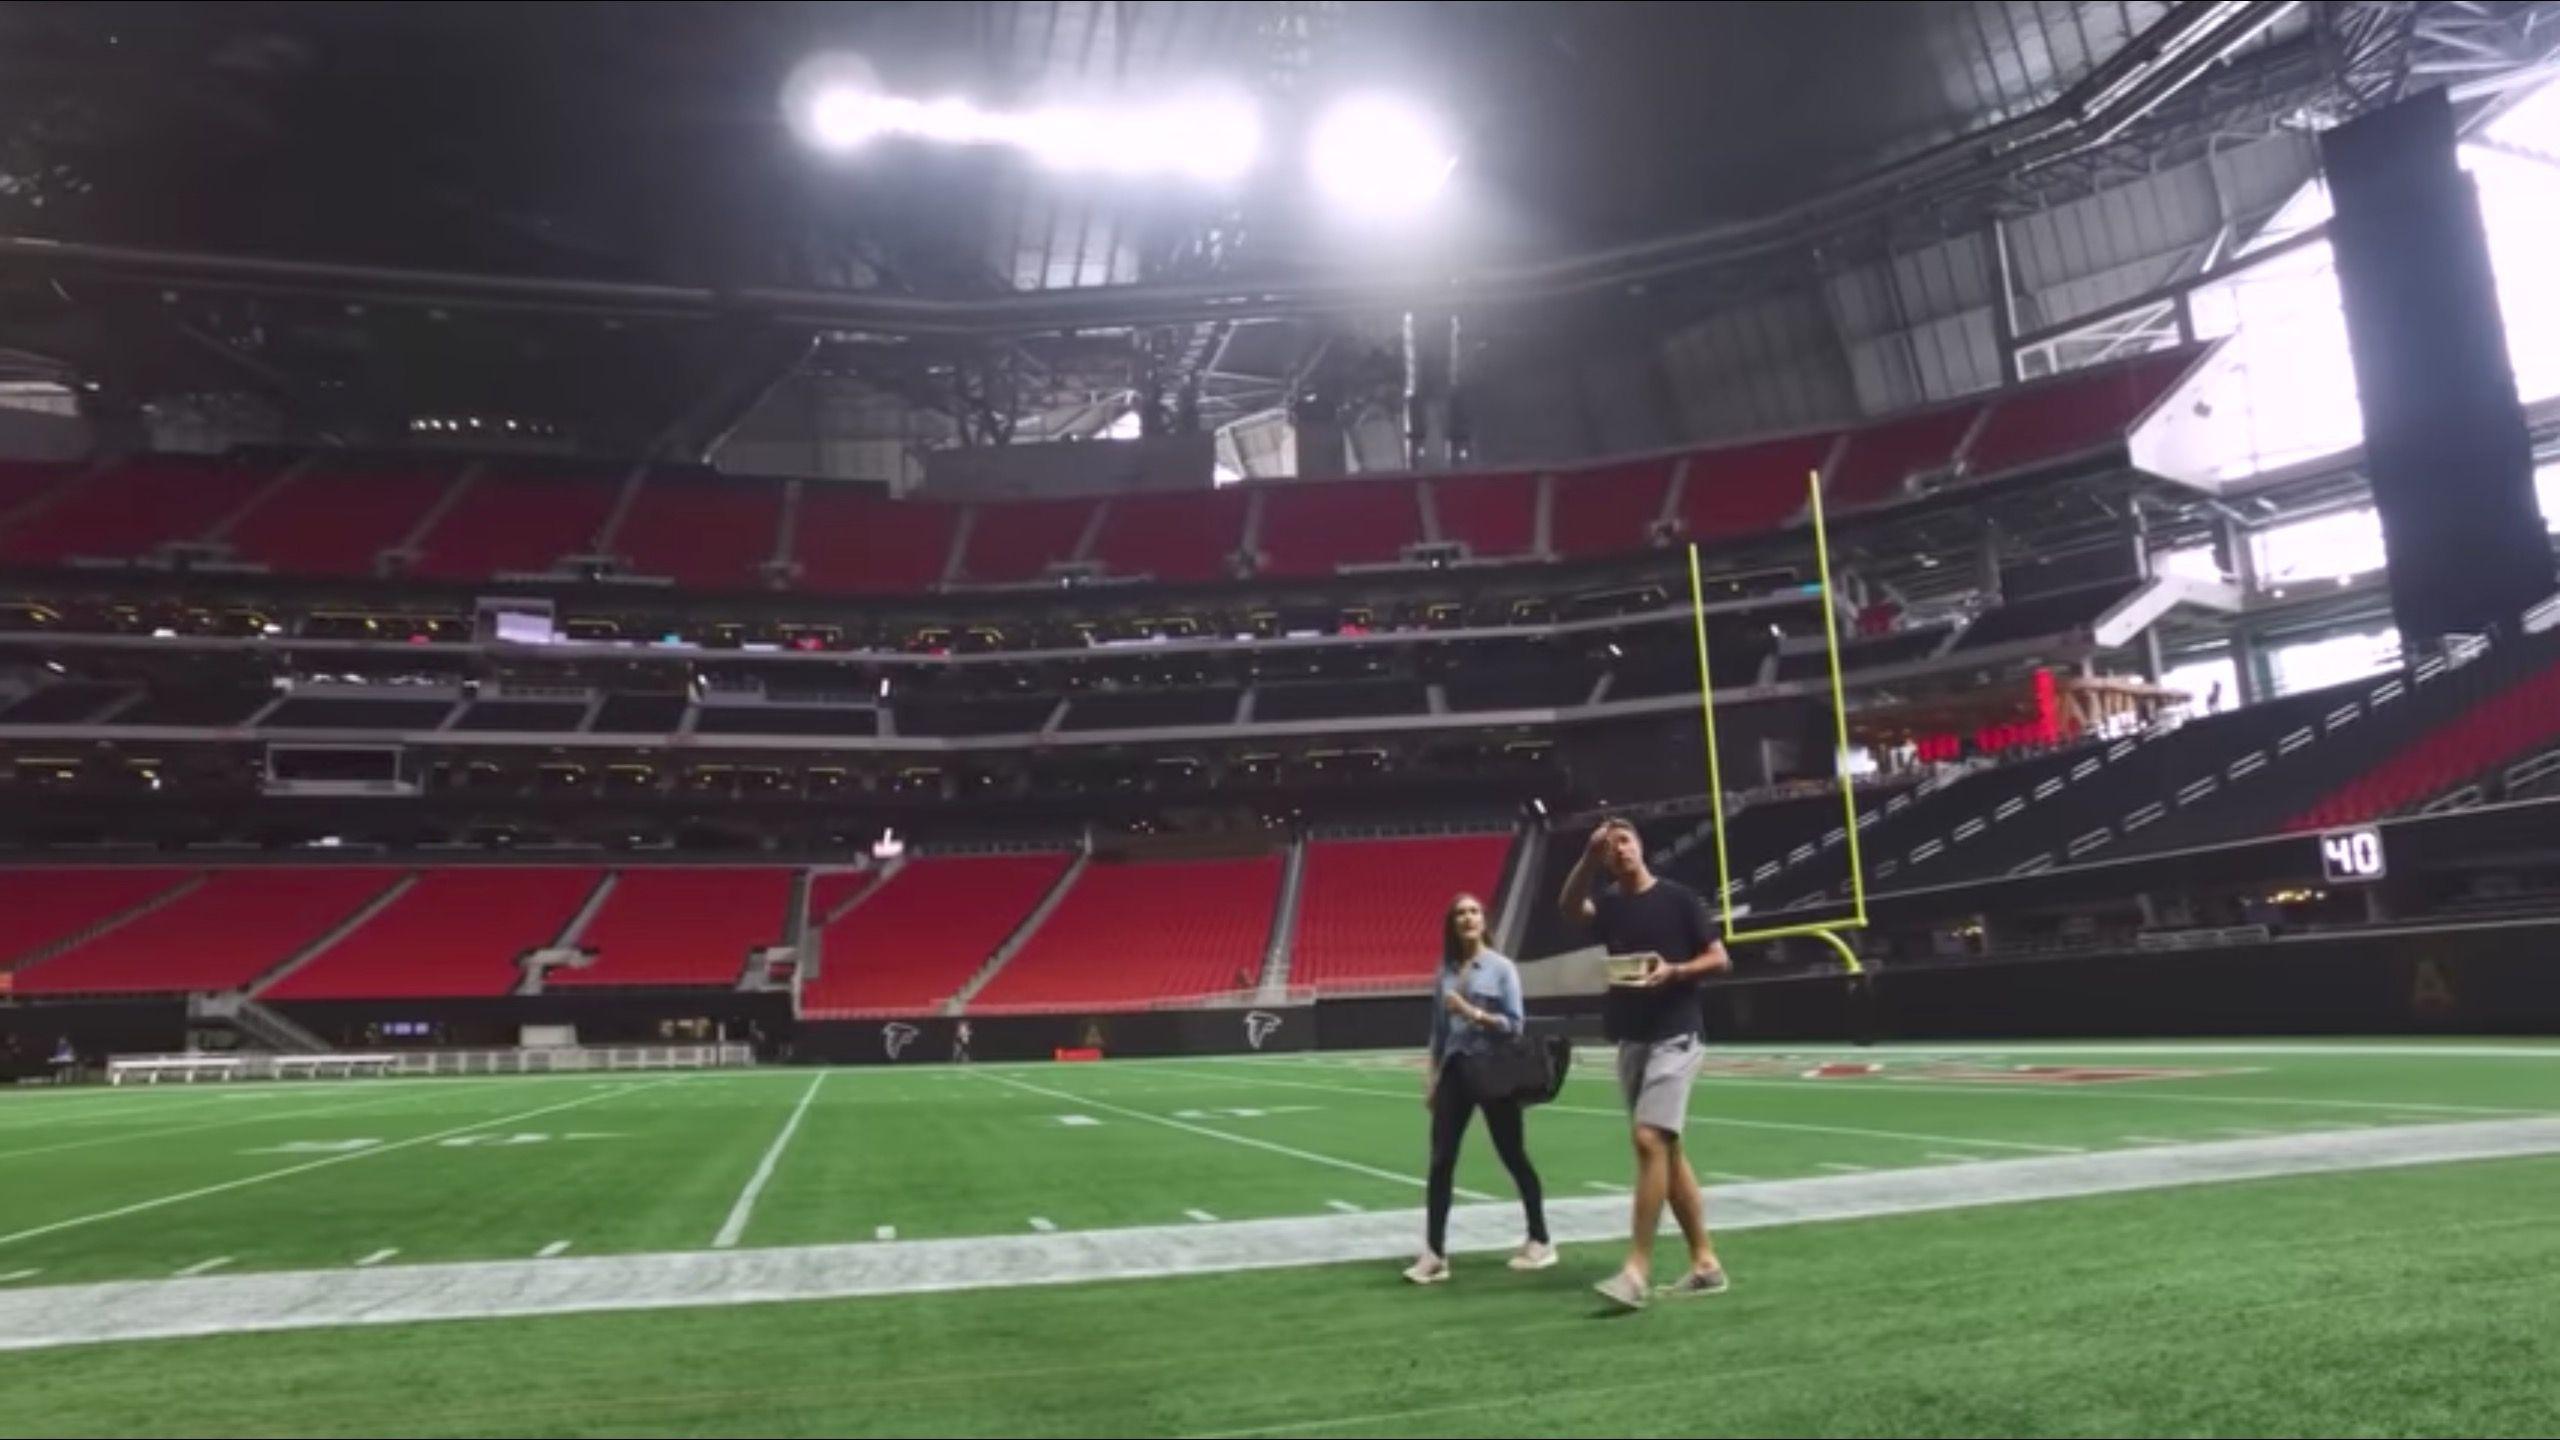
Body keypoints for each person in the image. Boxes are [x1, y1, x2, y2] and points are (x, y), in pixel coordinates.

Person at [1559, 817, 1732, 1310]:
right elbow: (1570, 907)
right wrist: (1587, 858)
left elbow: (1719, 958)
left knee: (1649, 1138)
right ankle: (1706, 1263)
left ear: (1641, 845)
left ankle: (1637, 1268)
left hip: (1676, 1030)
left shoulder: (1678, 899)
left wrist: (1675, 971)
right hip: (1632, 1036)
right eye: (1609, 847)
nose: (1618, 850)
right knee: (1668, 1152)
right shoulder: (1611, 904)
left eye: (1624, 841)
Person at [1404, 892, 1553, 1284]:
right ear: (1452, 925)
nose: (1468, 918)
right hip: (1455, 1070)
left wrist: (1473, 1013)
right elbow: (1437, 1032)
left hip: (1493, 1071)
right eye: (1460, 914)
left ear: (1483, 921)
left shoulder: (1501, 969)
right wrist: (1432, 1077)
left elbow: (1515, 1025)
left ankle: (1540, 1239)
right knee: (1441, 1161)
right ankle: (1435, 1253)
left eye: (1473, 912)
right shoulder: (1446, 973)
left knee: (1512, 1155)